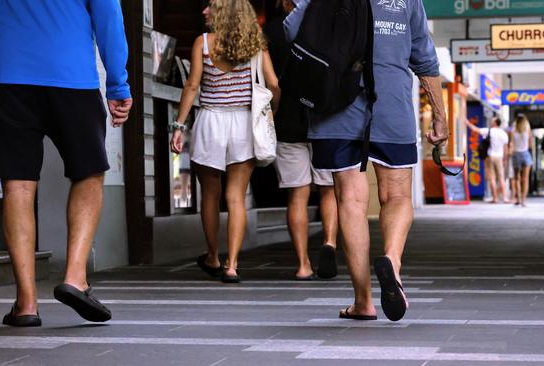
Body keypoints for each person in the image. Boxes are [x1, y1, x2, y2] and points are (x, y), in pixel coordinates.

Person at [0, 0, 132, 326]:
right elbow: (108, 14)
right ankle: (75, 276)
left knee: (18, 183)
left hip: (7, 71)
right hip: (71, 73)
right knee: (88, 172)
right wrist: (117, 83)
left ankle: (26, 303)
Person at [285, 0, 447, 321]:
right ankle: (392, 262)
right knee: (397, 194)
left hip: (337, 106)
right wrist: (440, 116)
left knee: (351, 199)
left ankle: (363, 301)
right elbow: (425, 58)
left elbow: (292, 29)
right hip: (393, 104)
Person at [170, 0, 280, 283]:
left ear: (224, 12)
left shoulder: (203, 44)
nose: (204, 11)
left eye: (211, 7)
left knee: (210, 194)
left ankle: (213, 256)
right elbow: (274, 84)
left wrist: (179, 126)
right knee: (236, 196)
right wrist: (271, 113)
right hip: (244, 123)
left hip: (210, 121)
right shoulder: (255, 45)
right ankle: (232, 265)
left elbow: (192, 86)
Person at [264, 0, 339, 280]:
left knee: (298, 194)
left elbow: (269, 81)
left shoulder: (271, 32)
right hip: (325, 118)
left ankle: (303, 264)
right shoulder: (329, 29)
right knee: (329, 190)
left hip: (288, 120)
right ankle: (329, 241)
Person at [465, 117, 509, 203]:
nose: (490, 121)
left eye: (492, 121)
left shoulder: (489, 131)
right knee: (501, 177)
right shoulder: (503, 134)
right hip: (499, 157)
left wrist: (467, 122)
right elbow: (505, 148)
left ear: (495, 122)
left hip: (490, 156)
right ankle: (504, 198)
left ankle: (495, 198)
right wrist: (505, 159)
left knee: (492, 178)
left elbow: (475, 129)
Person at [509, 114, 533, 207]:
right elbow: (530, 142)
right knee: (525, 179)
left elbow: (511, 142)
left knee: (516, 178)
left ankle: (518, 198)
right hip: (525, 153)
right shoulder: (527, 128)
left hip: (516, 154)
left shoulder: (513, 129)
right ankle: (523, 200)